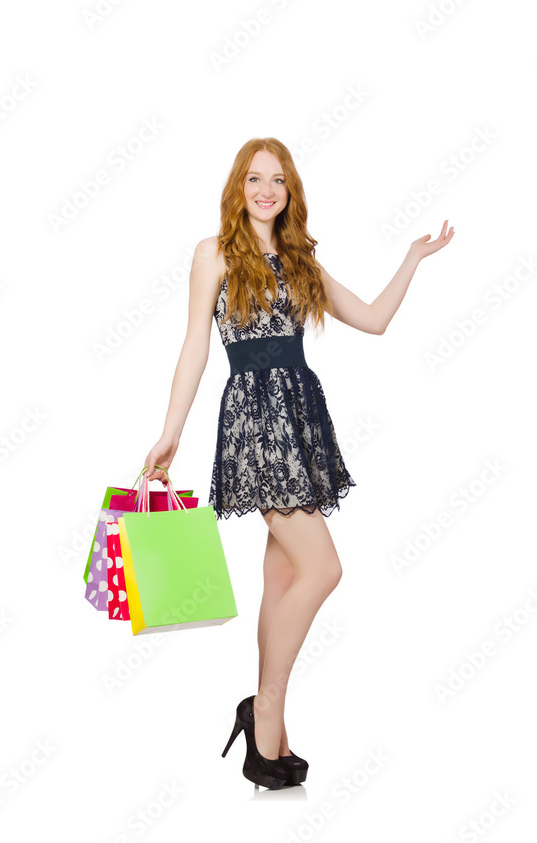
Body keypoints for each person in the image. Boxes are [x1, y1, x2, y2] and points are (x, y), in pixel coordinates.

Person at [143, 137, 453, 789]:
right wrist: (169, 434)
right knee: (324, 567)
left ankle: (269, 727)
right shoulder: (214, 254)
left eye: (277, 181)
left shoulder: (299, 258)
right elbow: (195, 345)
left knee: (286, 580)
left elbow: (372, 319)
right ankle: (265, 712)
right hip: (257, 422)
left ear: (290, 192)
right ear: (238, 186)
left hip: (302, 417)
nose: (265, 190)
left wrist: (412, 259)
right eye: (254, 179)